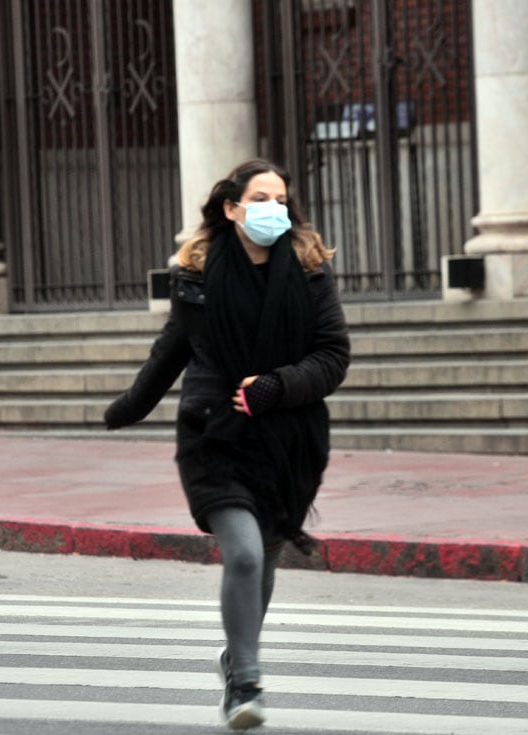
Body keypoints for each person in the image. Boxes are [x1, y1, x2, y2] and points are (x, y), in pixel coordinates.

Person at [103, 159, 350, 729]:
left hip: (287, 442)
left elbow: (333, 356)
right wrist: (126, 409)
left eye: (281, 199)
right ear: (232, 208)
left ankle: (236, 657)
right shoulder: (197, 274)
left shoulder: (310, 271)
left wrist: (275, 386)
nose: (274, 209)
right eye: (260, 198)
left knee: (262, 562)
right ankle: (245, 683)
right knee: (241, 552)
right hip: (213, 433)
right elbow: (172, 350)